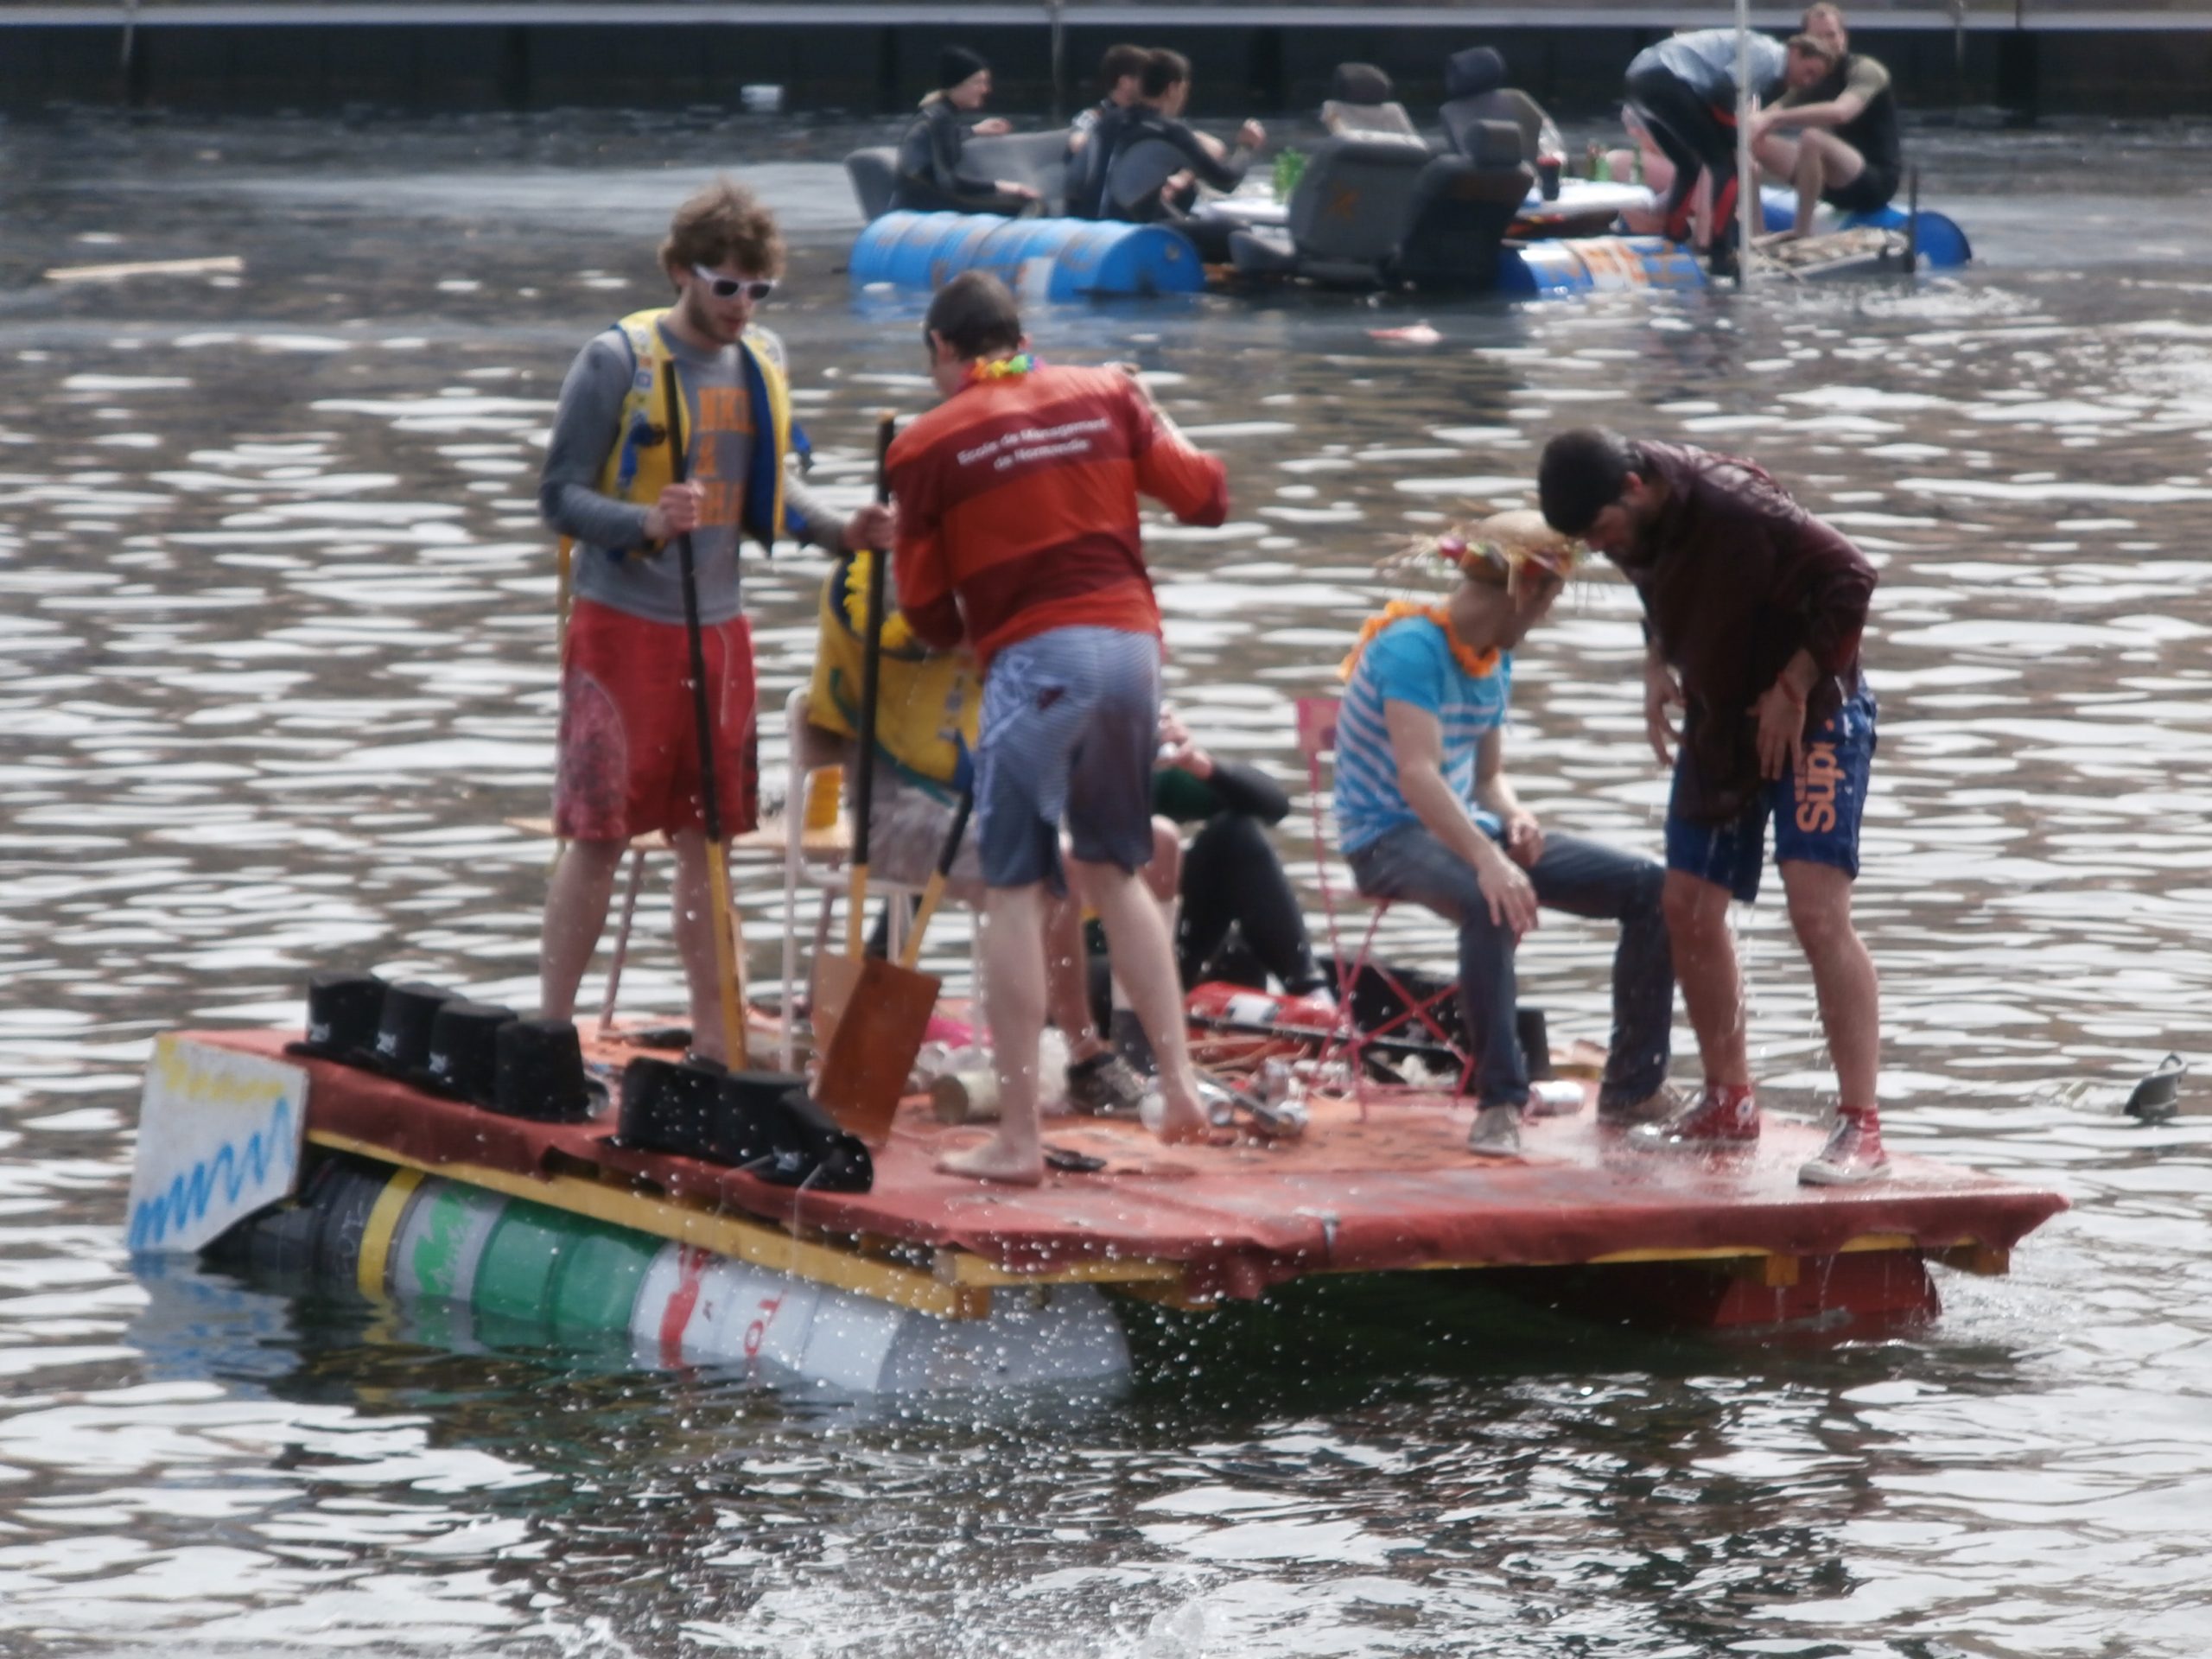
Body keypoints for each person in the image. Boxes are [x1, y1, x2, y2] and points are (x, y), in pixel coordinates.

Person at [888, 271, 1232, 1184]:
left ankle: (1017, 1142)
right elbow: (1207, 498)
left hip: (1038, 665)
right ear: (1019, 334)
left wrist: (975, 620)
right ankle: (1181, 1091)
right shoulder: (1109, 393)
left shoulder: (924, 444)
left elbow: (924, 613)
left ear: (941, 349)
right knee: (1116, 870)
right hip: (1133, 653)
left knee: (1013, 890)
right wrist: (1150, 405)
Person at [537, 178, 891, 1063]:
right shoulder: (614, 361)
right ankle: (547, 1032)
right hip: (622, 628)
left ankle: (714, 1041)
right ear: (679, 272)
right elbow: (559, 496)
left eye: (757, 288)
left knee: (711, 839)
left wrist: (842, 531)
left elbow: (775, 488)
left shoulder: (762, 357)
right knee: (599, 835)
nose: (741, 305)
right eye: (725, 285)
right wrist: (645, 522)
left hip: (720, 632)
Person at [1536, 429, 1887, 1186]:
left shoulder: (1735, 502)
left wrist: (1795, 685)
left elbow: (1853, 577)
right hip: (1719, 716)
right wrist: (1655, 659)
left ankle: (1862, 1126)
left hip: (1815, 711)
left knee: (1816, 911)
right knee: (1687, 904)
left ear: (1634, 487)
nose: (1598, 549)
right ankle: (1730, 1100)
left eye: (1600, 530)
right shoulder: (1633, 526)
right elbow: (1652, 581)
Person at [1333, 511, 1677, 1160]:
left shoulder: (1494, 657)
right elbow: (1418, 777)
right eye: (1548, 601)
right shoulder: (1410, 647)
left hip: (1463, 829)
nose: (1545, 617)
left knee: (1651, 888)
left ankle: (1633, 1088)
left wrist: (1517, 816)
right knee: (1487, 897)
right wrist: (1489, 861)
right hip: (1383, 838)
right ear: (1526, 592)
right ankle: (1499, 1101)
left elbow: (1488, 777)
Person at [804, 548, 1149, 1115]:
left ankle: (1078, 1052)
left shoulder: (988, 565)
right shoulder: (868, 575)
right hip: (885, 816)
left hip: (964, 804)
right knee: (1041, 869)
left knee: (1061, 861)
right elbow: (934, 631)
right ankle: (1058, 1053)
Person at [1154, 709, 1328, 998]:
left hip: (1162, 947)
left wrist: (1197, 762)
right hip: (1092, 961)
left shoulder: (1146, 773)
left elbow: (1274, 805)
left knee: (1236, 832)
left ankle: (1313, 994)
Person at [1621, 26, 1786, 276]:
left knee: (1691, 165)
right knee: (1724, 165)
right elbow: (1721, 96)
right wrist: (1733, 138)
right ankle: (1720, 254)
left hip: (1639, 83)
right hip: (1662, 87)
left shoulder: (1713, 71)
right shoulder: (1759, 59)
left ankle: (1676, 233)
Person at [1101, 48, 1265, 249]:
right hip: (1133, 234)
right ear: (1173, 88)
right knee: (1237, 232)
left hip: (1095, 228)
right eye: (1185, 90)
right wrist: (1246, 147)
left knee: (1185, 199)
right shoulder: (1169, 130)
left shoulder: (1109, 121)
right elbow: (1227, 181)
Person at [1750, 24, 1902, 238]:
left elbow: (1841, 113)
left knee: (1812, 138)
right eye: (1819, 37)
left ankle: (1802, 231)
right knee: (1755, 143)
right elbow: (1767, 116)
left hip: (1875, 181)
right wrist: (1749, 124)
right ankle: (1755, 232)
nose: (1827, 43)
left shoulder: (1865, 70)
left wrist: (1772, 118)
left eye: (1831, 35)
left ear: (1843, 37)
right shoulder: (1813, 79)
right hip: (1833, 181)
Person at [889, 47, 1039, 217]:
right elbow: (948, 183)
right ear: (957, 85)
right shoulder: (942, 119)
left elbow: (943, 139)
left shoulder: (936, 112)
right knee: (1031, 205)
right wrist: (1004, 186)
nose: (985, 90)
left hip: (914, 199)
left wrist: (976, 130)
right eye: (978, 83)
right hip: (926, 204)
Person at [1065, 41, 1151, 220]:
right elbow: (1077, 143)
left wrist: (1181, 179)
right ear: (1125, 83)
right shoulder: (1093, 116)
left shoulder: (1151, 119)